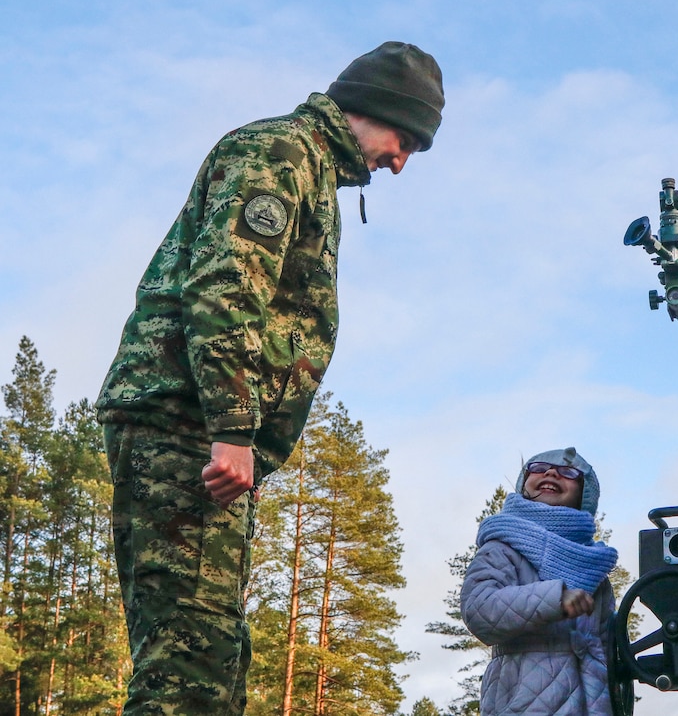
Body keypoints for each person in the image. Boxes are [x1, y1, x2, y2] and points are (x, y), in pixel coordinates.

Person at [94, 41, 444, 715]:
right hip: (185, 427)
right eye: (406, 141)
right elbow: (225, 291)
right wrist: (231, 430)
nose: (399, 163)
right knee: (188, 666)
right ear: (375, 110)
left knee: (212, 653)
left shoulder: (310, 170)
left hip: (200, 432)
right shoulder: (279, 154)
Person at [461, 447, 620, 716]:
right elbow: (479, 609)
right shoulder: (503, 546)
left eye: (568, 472)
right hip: (522, 701)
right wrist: (554, 599)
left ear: (585, 495)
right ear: (524, 484)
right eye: (538, 468)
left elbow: (608, 645)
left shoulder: (593, 565)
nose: (551, 472)